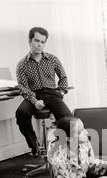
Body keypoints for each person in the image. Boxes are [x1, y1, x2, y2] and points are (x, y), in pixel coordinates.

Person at [15, 27, 73, 157]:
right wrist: (35, 101)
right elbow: (23, 87)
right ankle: (35, 146)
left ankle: (63, 149)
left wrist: (62, 92)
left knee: (69, 120)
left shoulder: (52, 59)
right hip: (34, 94)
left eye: (42, 42)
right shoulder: (22, 64)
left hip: (52, 94)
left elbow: (63, 77)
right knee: (21, 113)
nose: (39, 44)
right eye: (36, 41)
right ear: (30, 41)